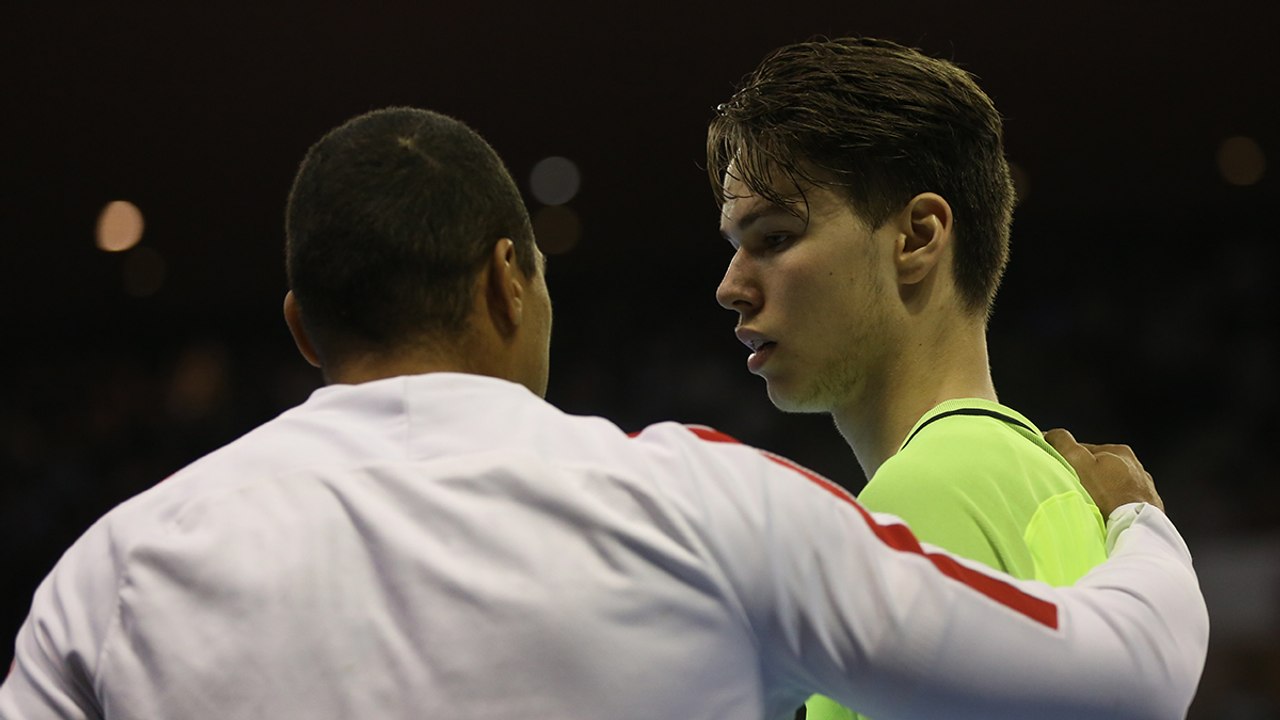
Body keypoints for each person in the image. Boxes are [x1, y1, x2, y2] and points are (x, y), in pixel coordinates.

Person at [0, 107, 1206, 720]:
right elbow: (1130, 675)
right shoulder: (702, 501)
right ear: (508, 279)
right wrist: (1138, 521)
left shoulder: (107, 579)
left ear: (306, 333)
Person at [708, 38, 1113, 719]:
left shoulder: (921, 501)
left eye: (774, 238)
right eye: (735, 247)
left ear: (918, 237)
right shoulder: (1057, 488)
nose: (731, 288)